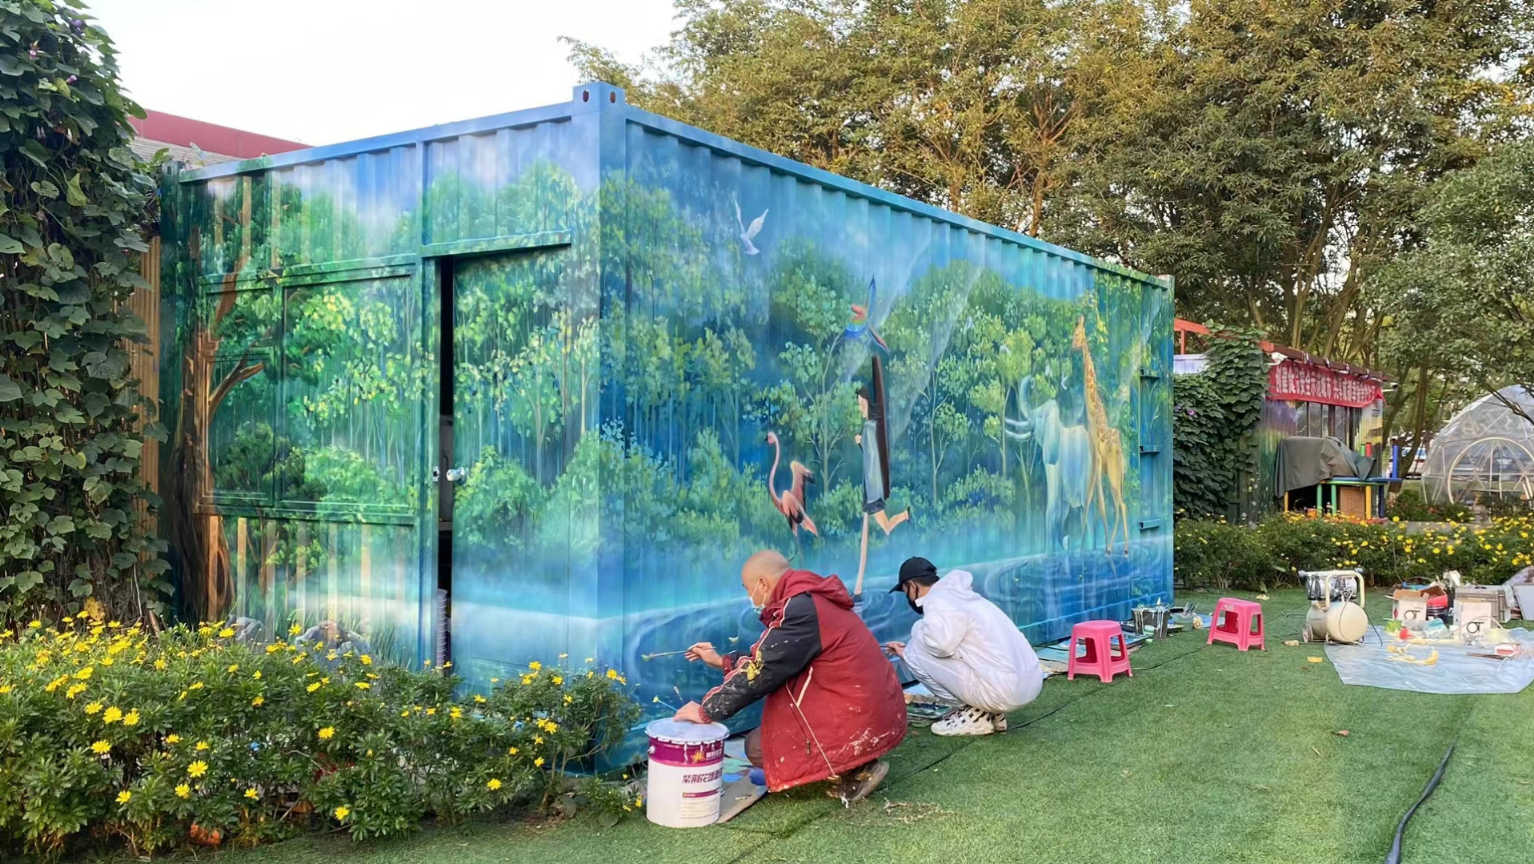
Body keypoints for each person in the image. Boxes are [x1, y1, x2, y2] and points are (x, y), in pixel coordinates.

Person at [673, 549, 907, 802]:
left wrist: (705, 711)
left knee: (758, 748)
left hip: (859, 715)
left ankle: (855, 769)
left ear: (762, 583)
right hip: (872, 707)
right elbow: (771, 656)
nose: (750, 597)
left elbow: (761, 671)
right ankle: (857, 759)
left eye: (748, 589)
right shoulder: (811, 599)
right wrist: (721, 661)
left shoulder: (799, 609)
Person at [884, 556, 1042, 736]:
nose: (907, 596)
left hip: (1004, 691)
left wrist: (907, 652)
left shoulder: (938, 601)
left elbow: (941, 647)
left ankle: (974, 712)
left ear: (912, 585)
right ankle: (989, 710)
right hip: (1030, 683)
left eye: (905, 590)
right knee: (920, 640)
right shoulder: (965, 597)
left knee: (916, 639)